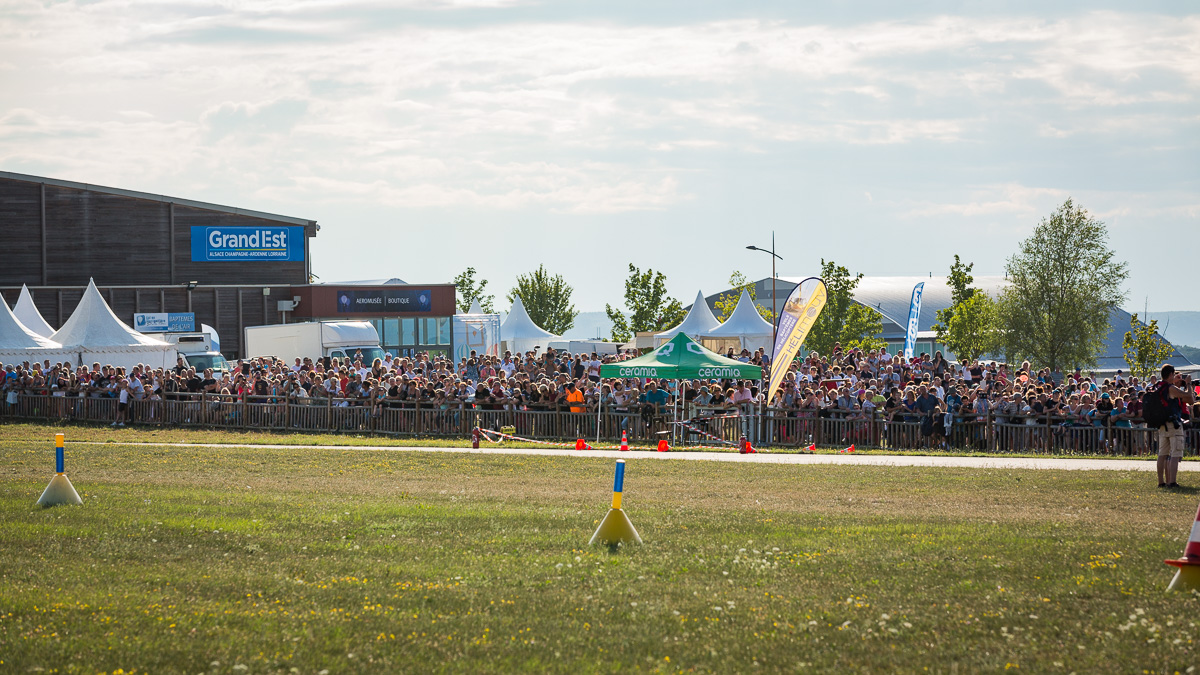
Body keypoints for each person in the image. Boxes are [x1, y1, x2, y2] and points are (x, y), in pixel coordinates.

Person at [1154, 364, 1196, 488]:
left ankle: (1161, 482)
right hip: (1173, 424)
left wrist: (1177, 383)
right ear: (1171, 374)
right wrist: (1187, 383)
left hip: (1162, 424)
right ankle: (1172, 481)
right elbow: (1189, 397)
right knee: (1175, 453)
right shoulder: (1170, 388)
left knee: (1162, 454)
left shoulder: (1158, 387)